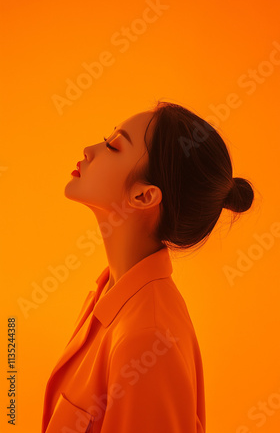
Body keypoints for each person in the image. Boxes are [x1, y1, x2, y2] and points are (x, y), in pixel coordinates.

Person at [41, 100, 255, 433]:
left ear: (144, 197)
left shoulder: (146, 338)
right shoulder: (110, 292)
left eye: (113, 146)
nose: (89, 149)